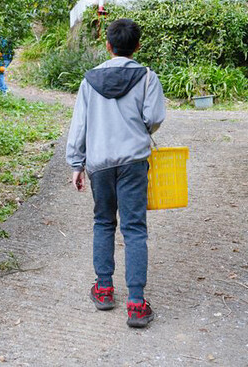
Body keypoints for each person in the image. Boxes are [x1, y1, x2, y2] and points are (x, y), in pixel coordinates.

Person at [66, 18, 166, 328]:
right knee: (134, 228)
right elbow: (154, 117)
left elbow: (79, 125)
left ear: (108, 46)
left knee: (103, 222)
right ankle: (136, 303)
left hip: (100, 163)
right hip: (134, 161)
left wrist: (76, 163)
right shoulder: (147, 78)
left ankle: (105, 289)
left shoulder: (89, 81)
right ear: (137, 46)